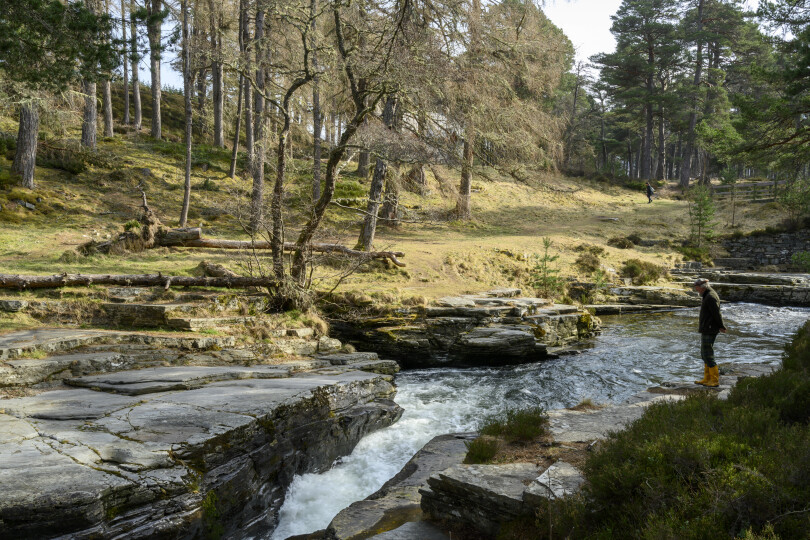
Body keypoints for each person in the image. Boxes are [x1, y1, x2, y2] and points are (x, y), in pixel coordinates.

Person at [693, 278, 727, 387]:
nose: (696, 290)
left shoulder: (710, 297)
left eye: (697, 288)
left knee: (708, 354)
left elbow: (717, 314)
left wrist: (721, 326)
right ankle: (707, 379)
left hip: (710, 328)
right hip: (707, 328)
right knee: (704, 354)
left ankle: (714, 380)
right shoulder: (707, 295)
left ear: (702, 287)